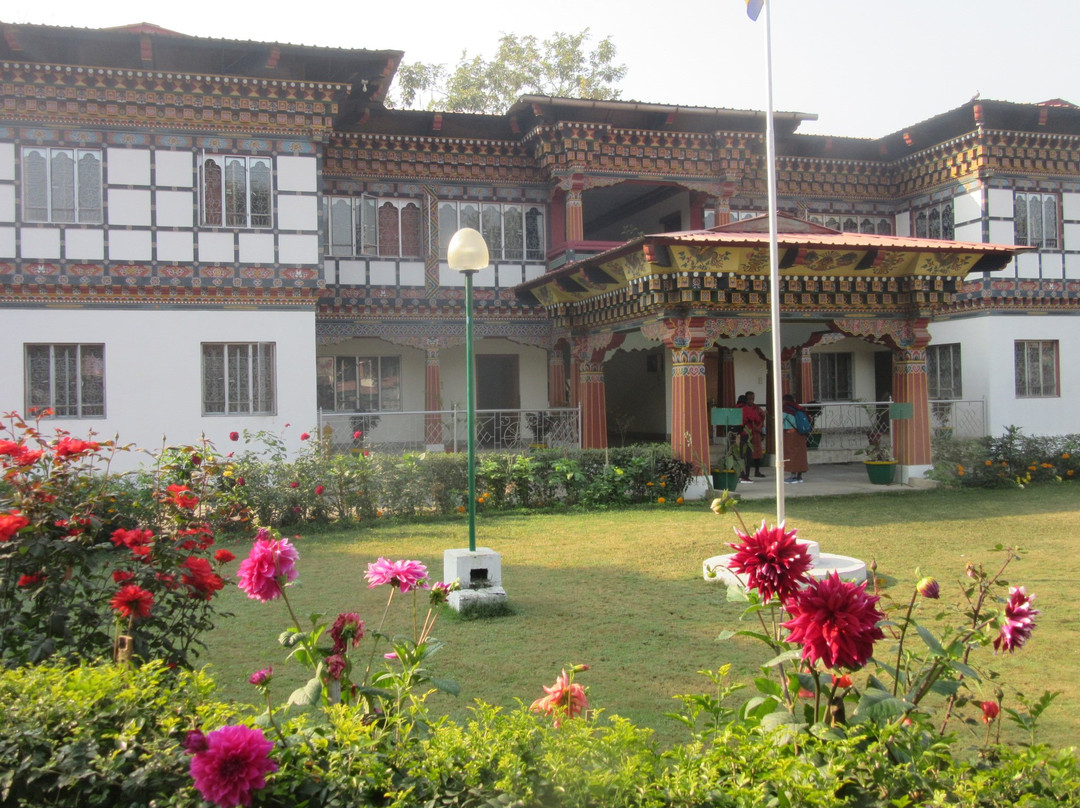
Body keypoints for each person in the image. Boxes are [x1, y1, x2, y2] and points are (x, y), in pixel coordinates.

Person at [782, 393, 809, 483]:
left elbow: (779, 420)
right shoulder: (799, 408)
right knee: (800, 455)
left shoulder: (786, 409)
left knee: (791, 454)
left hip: (791, 434)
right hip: (801, 434)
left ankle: (793, 476)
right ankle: (799, 476)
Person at [740, 391, 766, 481]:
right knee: (747, 454)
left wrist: (761, 430)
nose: (751, 401)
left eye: (753, 399)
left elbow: (762, 417)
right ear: (746, 399)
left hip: (756, 433)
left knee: (757, 453)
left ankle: (757, 471)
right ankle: (745, 474)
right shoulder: (745, 408)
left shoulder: (757, 408)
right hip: (747, 433)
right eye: (749, 399)